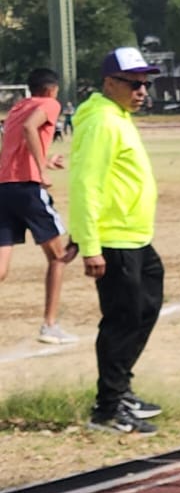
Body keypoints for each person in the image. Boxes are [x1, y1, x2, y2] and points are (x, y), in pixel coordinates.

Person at [71, 47, 166, 434]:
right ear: (110, 82)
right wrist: (89, 243)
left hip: (136, 237)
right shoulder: (102, 123)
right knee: (122, 319)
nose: (142, 90)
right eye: (134, 83)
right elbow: (85, 183)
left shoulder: (119, 116)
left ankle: (121, 388)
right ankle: (107, 409)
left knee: (145, 308)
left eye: (146, 83)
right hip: (114, 240)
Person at [0, 67, 79, 345]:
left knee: (1, 269)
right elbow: (30, 127)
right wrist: (40, 171)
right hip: (28, 189)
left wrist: (43, 160)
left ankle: (51, 325)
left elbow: (15, 142)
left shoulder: (18, 107)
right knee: (59, 256)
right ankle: (50, 325)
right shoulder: (49, 104)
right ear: (52, 89)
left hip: (4, 187)